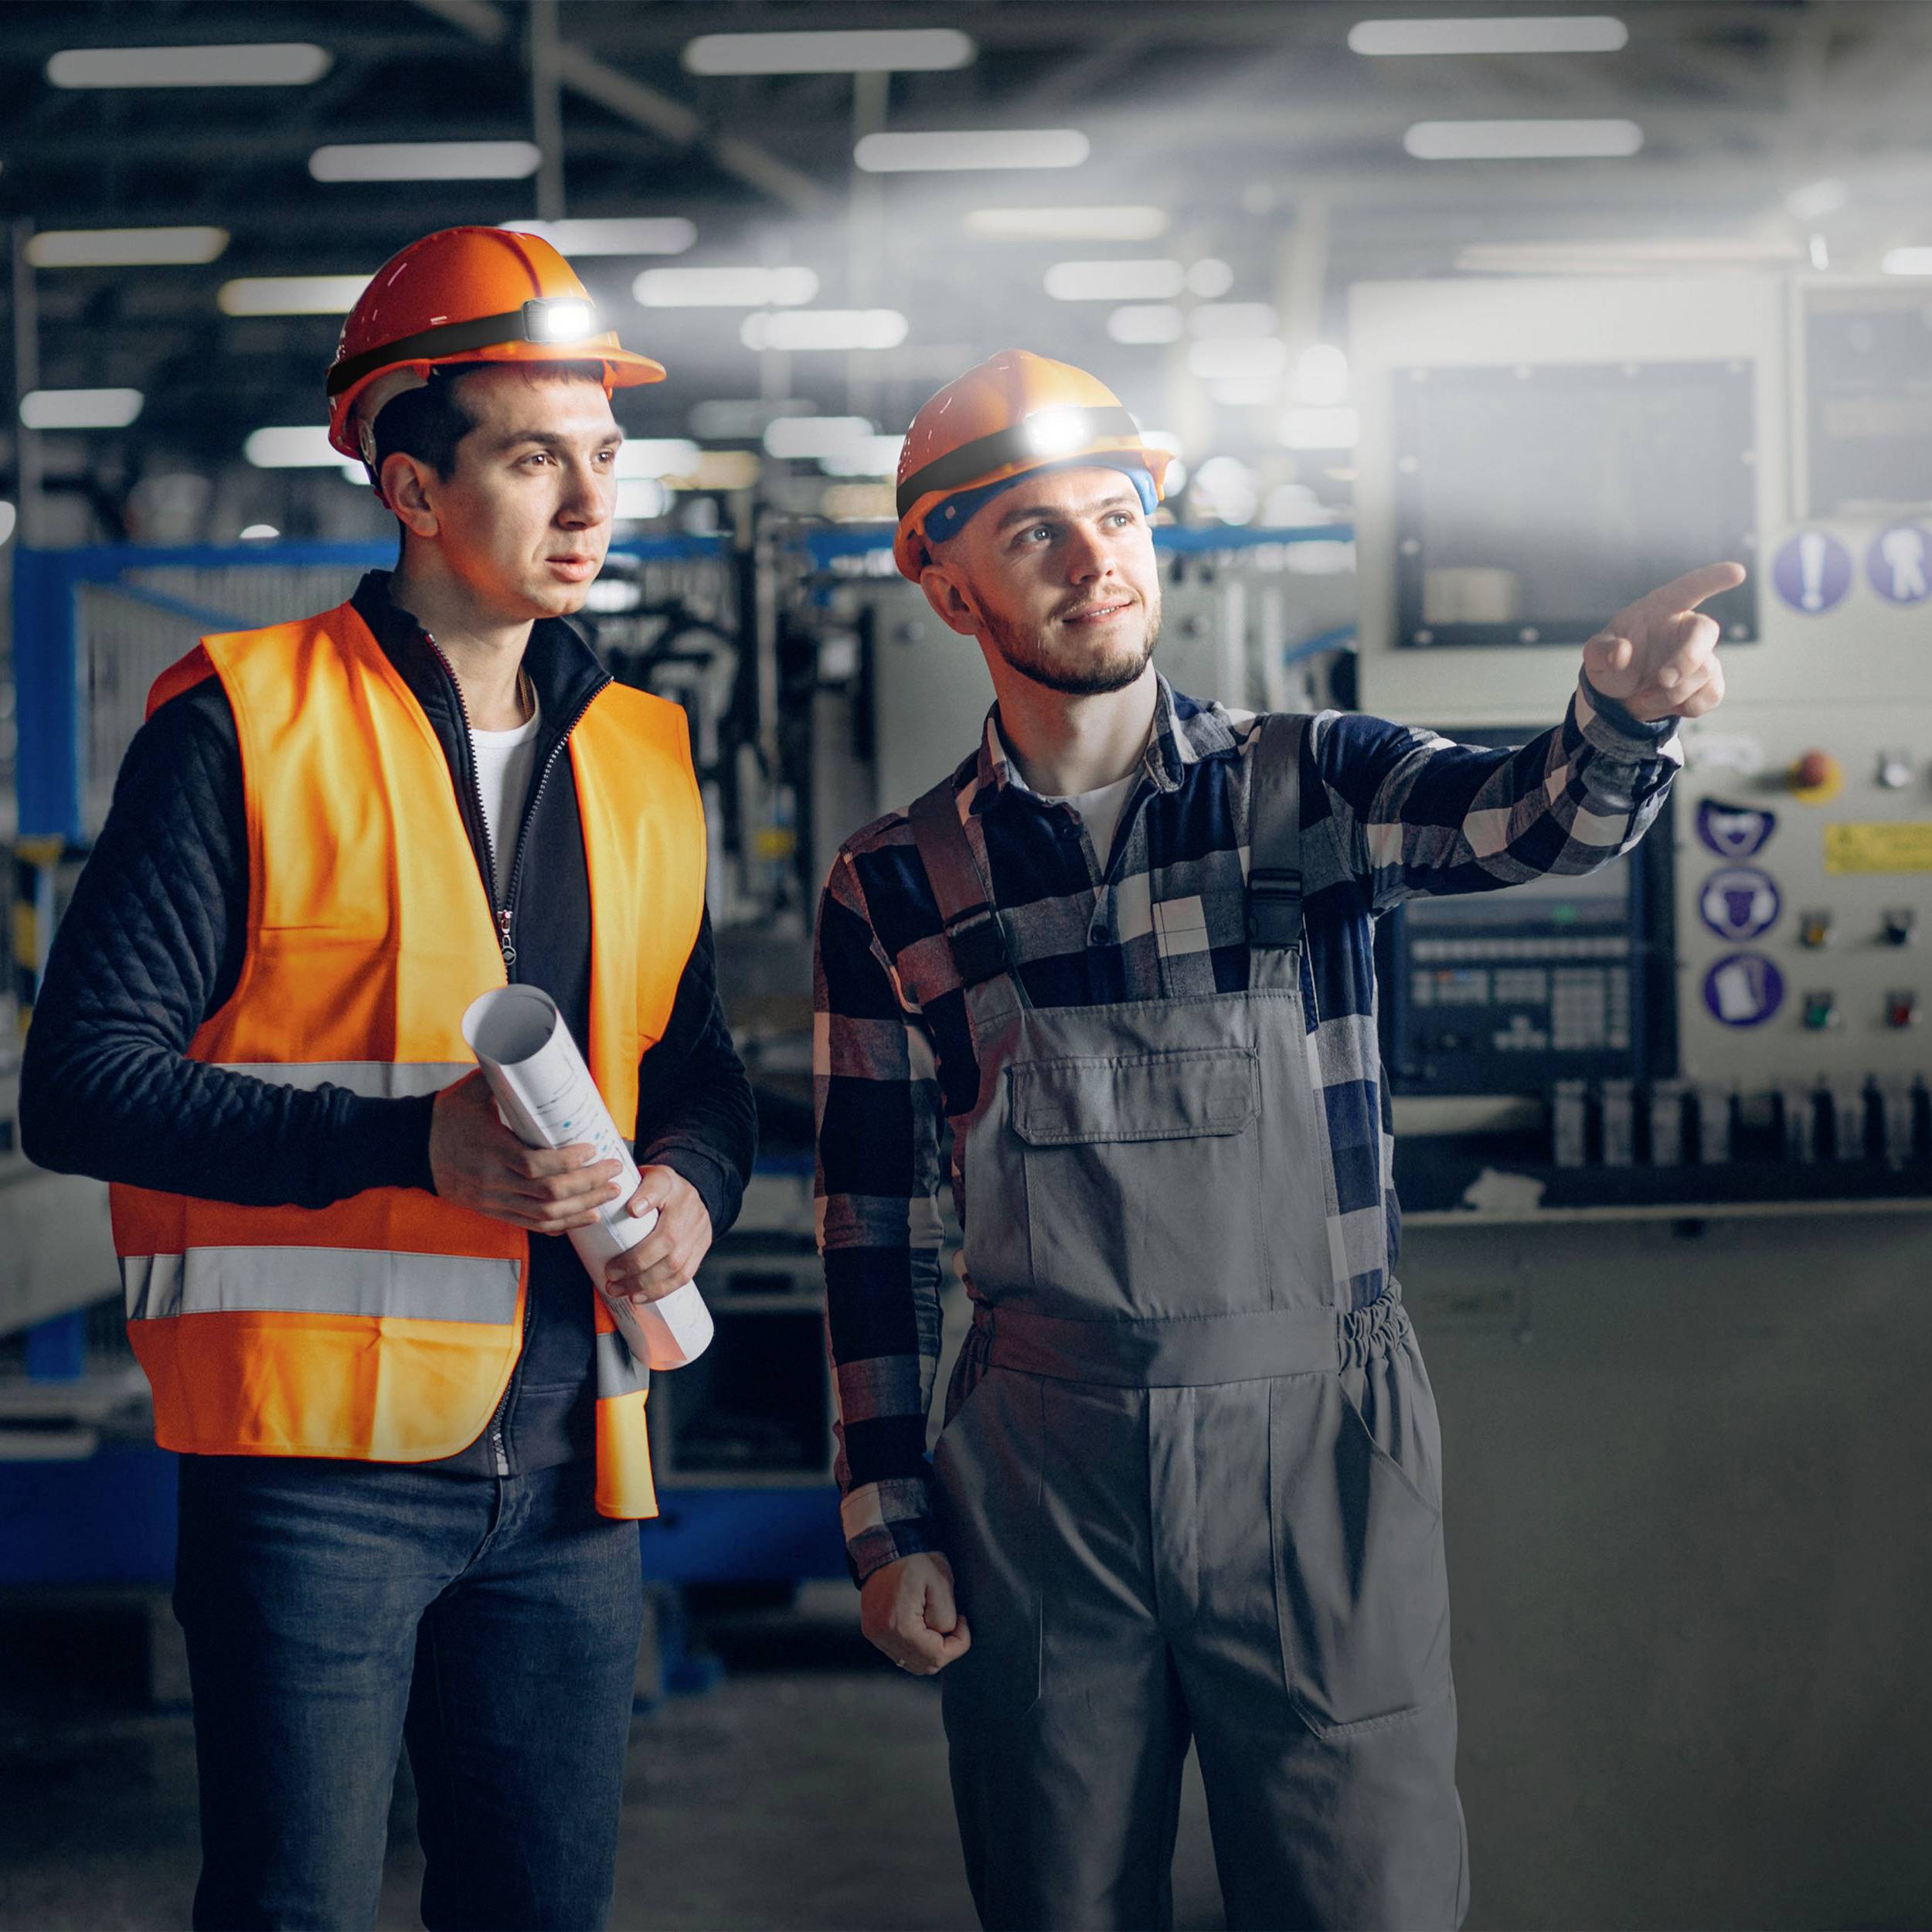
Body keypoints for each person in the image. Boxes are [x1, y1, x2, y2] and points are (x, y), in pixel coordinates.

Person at [812, 349, 1736, 1931]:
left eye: (1117, 515)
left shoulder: (1308, 790)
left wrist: (1619, 723)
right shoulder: (893, 880)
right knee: (1055, 1893)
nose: (1096, 556)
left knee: (1354, 1889)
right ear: (947, 586)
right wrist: (887, 1519)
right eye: (1035, 531)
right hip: (1041, 1464)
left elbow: (1522, 818)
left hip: (1318, 1448)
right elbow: (867, 1220)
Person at [20, 226, 757, 1932]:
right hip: (313, 1472)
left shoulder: (643, 750)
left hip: (580, 1454)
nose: (586, 504)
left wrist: (692, 1190)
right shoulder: (244, 725)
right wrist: (407, 1146)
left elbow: (696, 1062)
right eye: (530, 459)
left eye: (600, 459)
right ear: (415, 487)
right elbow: (81, 1085)